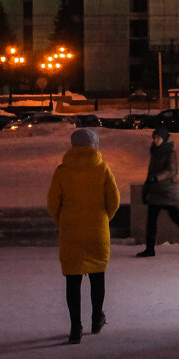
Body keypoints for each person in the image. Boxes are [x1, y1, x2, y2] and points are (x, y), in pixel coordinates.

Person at [47, 128, 120, 344]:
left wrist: (61, 221)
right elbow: (114, 200)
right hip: (97, 229)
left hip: (71, 230)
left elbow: (53, 203)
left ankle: (75, 328)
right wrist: (104, 218)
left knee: (73, 280)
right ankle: (97, 318)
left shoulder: (62, 170)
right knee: (98, 277)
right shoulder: (103, 169)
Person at [137, 127, 179, 257]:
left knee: (176, 218)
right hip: (155, 191)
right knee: (151, 221)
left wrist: (156, 178)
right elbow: (151, 171)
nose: (155, 140)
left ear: (164, 139)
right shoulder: (154, 151)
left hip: (168, 191)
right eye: (154, 138)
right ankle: (150, 248)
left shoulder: (170, 153)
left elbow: (171, 171)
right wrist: (146, 188)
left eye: (158, 138)